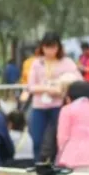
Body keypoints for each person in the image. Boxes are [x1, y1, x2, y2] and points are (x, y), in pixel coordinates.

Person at [24, 33, 79, 161]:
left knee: (58, 139)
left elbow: (77, 80)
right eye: (47, 47)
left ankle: (57, 165)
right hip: (39, 106)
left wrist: (62, 88)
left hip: (58, 106)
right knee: (37, 139)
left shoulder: (67, 62)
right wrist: (48, 89)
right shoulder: (37, 63)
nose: (50, 51)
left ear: (58, 47)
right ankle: (38, 165)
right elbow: (31, 86)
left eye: (53, 47)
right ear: (42, 47)